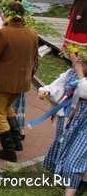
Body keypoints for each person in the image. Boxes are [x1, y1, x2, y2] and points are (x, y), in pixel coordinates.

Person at [0, 2, 38, 162]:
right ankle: (17, 141)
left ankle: (9, 150)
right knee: (7, 108)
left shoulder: (4, 33)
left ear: (6, 15)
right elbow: (34, 56)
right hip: (21, 81)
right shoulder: (32, 33)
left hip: (3, 81)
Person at [39, 45, 87, 196]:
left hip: (84, 125)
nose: (76, 64)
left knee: (74, 160)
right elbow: (56, 86)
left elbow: (85, 92)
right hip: (68, 119)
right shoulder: (71, 73)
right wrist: (47, 90)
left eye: (81, 62)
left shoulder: (78, 74)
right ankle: (76, 179)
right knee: (65, 149)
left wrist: (80, 70)